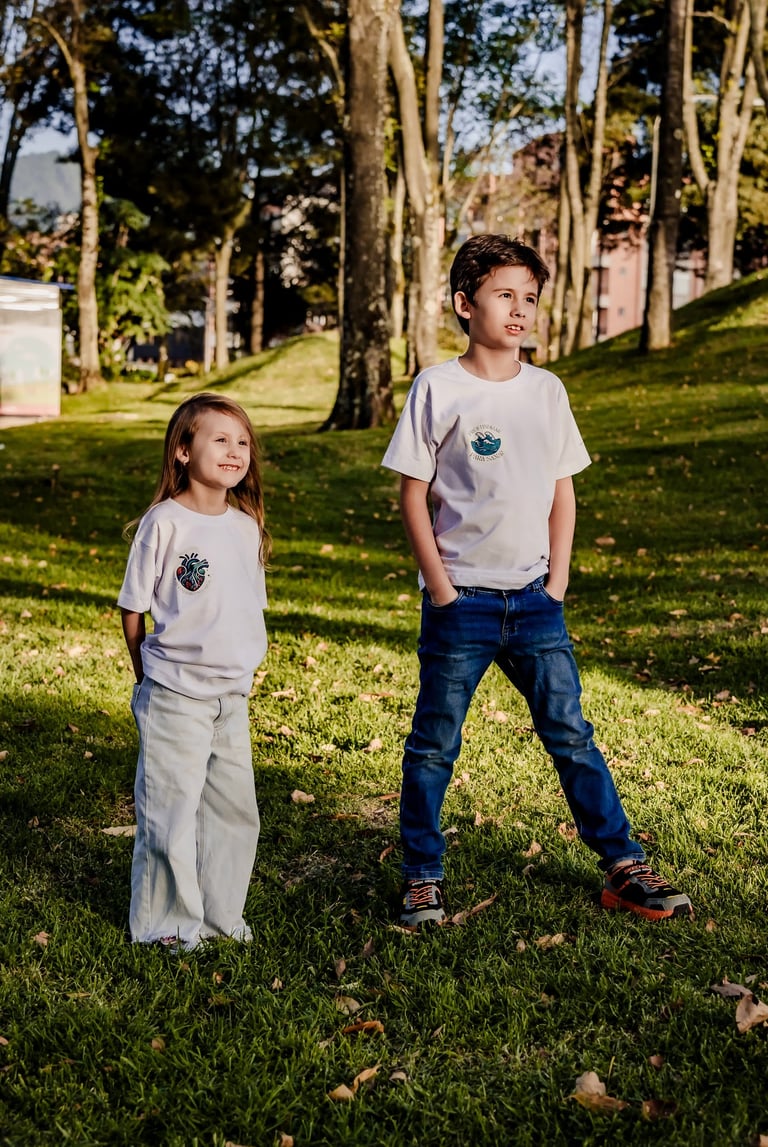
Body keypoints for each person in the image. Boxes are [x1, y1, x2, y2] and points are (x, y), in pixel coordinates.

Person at [381, 234, 692, 929]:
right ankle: (422, 876)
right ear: (465, 304)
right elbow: (412, 494)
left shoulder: (547, 391)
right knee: (434, 745)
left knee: (571, 734)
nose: (520, 309)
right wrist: (440, 589)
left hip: (535, 602)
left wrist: (558, 582)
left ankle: (624, 865)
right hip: (461, 603)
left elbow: (562, 490)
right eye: (504, 294)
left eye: (529, 297)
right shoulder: (438, 387)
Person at [118, 392, 270, 951]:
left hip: (232, 698)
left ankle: (219, 918)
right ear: (183, 451)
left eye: (242, 442)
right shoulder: (164, 523)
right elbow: (133, 609)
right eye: (220, 439)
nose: (235, 451)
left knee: (234, 812)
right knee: (170, 812)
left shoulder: (246, 527)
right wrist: (146, 678)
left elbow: (248, 607)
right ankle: (166, 926)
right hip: (175, 694)